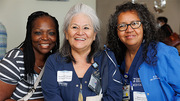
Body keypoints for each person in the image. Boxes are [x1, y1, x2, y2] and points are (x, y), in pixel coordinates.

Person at [42, 3, 122, 101]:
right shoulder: (53, 62)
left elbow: (115, 96)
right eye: (74, 27)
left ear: (94, 35)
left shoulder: (107, 59)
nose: (80, 32)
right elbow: (52, 97)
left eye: (86, 28)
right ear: (66, 33)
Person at [107, 2, 180, 101]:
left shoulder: (164, 53)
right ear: (116, 31)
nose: (129, 29)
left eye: (134, 24)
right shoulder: (116, 56)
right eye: (122, 25)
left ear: (144, 27)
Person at [0, 11, 60, 101]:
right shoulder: (14, 60)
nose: (45, 37)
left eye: (51, 33)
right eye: (38, 33)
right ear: (30, 35)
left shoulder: (58, 61)